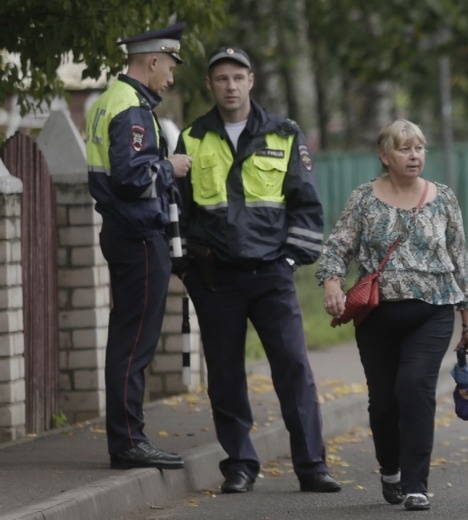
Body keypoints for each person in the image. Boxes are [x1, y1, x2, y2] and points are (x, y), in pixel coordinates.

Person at [175, 46, 340, 495]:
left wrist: (290, 259)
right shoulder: (192, 137)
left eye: (237, 77)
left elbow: (306, 204)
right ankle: (239, 466)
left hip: (271, 273)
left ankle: (312, 466)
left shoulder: (284, 133)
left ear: (251, 81)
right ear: (210, 85)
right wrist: (188, 269)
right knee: (226, 374)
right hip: (215, 278)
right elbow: (179, 211)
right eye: (221, 78)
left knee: (292, 368)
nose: (230, 86)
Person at [317, 119, 468, 512]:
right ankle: (389, 469)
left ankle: (415, 484)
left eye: (419, 148)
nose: (414, 156)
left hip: (433, 311)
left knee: (415, 387)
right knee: (384, 401)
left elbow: (460, 259)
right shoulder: (364, 199)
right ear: (384, 155)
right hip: (377, 316)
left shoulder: (442, 198)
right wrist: (332, 284)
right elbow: (338, 246)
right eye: (405, 149)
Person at [86, 22, 193, 470]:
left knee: (128, 339)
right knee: (134, 343)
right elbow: (132, 179)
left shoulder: (108, 101)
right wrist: (170, 166)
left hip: (121, 232)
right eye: (169, 66)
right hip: (137, 236)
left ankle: (128, 437)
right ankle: (129, 441)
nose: (170, 76)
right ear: (152, 61)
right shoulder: (131, 108)